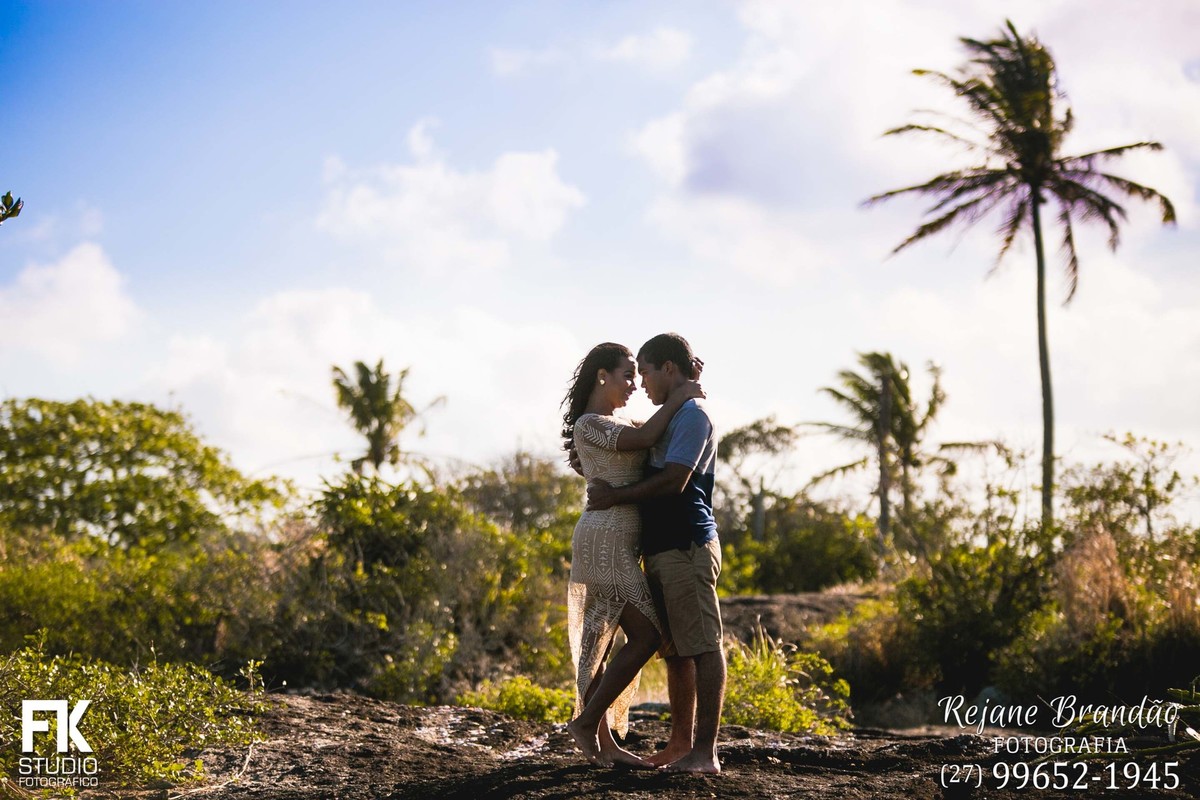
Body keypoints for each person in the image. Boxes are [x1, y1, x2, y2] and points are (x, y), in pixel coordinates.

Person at [560, 342, 704, 768]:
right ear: (602, 376)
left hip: (620, 541)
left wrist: (688, 384)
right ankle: (587, 725)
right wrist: (682, 392)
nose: (635, 385)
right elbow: (646, 437)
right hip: (604, 540)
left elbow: (658, 430)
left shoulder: (615, 421)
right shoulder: (590, 424)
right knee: (645, 637)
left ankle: (604, 744)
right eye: (627, 375)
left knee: (599, 646)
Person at [587, 332, 724, 775]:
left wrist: (616, 497)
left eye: (644, 372)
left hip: (687, 544)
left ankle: (705, 754)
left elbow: (675, 480)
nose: (640, 383)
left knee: (703, 646)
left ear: (668, 369)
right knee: (675, 650)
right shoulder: (674, 413)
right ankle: (681, 745)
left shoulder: (691, 415)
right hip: (661, 550)